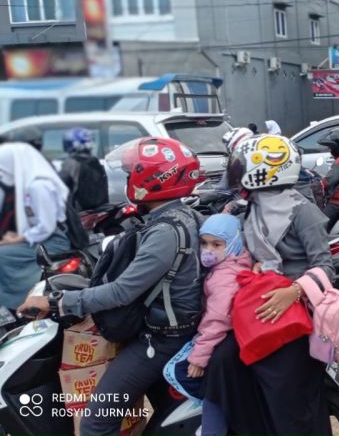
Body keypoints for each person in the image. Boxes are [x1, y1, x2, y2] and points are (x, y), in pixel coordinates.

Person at [17, 137, 203, 433]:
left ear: (154, 179)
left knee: (95, 423)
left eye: (131, 174)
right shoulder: (185, 215)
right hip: (169, 329)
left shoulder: (165, 232)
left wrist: (57, 302)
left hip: (163, 340)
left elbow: (122, 292)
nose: (128, 180)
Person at [204, 133, 334, 434]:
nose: (237, 173)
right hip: (259, 312)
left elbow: (327, 268)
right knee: (223, 364)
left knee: (288, 402)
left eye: (242, 166)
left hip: (294, 316)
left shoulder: (303, 211)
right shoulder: (251, 208)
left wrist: (293, 291)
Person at [167, 213, 251, 436]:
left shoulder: (225, 277)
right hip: (226, 339)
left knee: (184, 374)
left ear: (233, 243)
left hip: (219, 341)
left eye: (216, 244)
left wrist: (199, 357)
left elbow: (218, 319)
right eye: (204, 243)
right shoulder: (232, 263)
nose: (208, 250)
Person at [0, 143, 71, 308]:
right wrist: (16, 237)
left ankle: (16, 302)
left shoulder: (38, 186)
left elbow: (46, 227)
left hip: (53, 241)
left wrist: (17, 239)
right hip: (43, 238)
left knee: (3, 255)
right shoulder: (27, 185)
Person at [59, 127, 109, 211]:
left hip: (79, 212)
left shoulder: (71, 163)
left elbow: (62, 191)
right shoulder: (95, 162)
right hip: (98, 210)